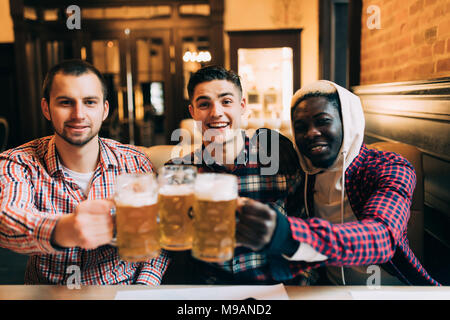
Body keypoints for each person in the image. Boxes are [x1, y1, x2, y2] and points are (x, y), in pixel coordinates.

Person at [236, 79, 440, 286]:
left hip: (392, 289)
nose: (311, 133)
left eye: (323, 121)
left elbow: (381, 238)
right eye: (300, 127)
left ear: (347, 122)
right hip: (326, 289)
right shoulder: (305, 172)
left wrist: (287, 233)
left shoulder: (390, 167)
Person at [0, 59, 169, 285]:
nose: (78, 114)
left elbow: (160, 237)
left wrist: (143, 288)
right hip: (50, 295)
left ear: (104, 109)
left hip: (122, 293)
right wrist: (65, 229)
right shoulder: (18, 162)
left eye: (89, 102)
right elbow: (6, 220)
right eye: (66, 102)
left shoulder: (134, 161)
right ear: (46, 108)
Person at [164, 65, 315, 285]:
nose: (216, 112)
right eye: (204, 104)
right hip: (207, 292)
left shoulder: (280, 161)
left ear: (242, 106)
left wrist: (301, 288)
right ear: (193, 112)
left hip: (272, 289)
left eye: (226, 102)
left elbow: (307, 236)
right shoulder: (177, 173)